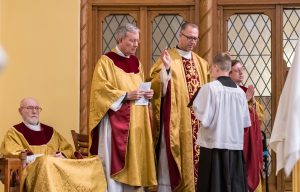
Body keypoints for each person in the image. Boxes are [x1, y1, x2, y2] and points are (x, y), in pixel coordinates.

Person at [89, 23, 157, 192]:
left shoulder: (136, 62)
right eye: (132, 40)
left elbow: (139, 86)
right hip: (116, 121)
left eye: (137, 41)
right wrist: (126, 95)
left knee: (136, 156)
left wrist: (146, 95)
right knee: (116, 158)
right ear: (120, 39)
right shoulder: (106, 61)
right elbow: (100, 90)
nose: (135, 44)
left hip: (137, 119)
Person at [0, 97, 107, 192]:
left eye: (37, 108)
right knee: (46, 161)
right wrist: (43, 158)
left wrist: (62, 155)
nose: (34, 111)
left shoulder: (50, 131)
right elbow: (12, 154)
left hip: (56, 168)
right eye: (30, 108)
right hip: (31, 172)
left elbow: (68, 149)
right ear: (20, 111)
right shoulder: (14, 132)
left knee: (95, 162)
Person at [149, 22, 209, 191]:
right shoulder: (169, 58)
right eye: (189, 37)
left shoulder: (201, 64)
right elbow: (154, 87)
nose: (192, 42)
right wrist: (166, 71)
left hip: (197, 125)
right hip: (176, 124)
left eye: (195, 39)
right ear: (180, 36)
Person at [192, 53, 251, 192]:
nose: (211, 71)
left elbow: (202, 117)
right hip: (235, 146)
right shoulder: (240, 93)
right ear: (229, 68)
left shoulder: (210, 88)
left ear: (216, 67)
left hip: (214, 145)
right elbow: (244, 123)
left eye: (212, 68)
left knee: (213, 185)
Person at [229, 60, 264, 192]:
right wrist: (246, 99)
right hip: (237, 142)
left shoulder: (243, 90)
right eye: (237, 70)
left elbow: (259, 116)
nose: (241, 73)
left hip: (251, 141)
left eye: (242, 69)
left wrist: (252, 101)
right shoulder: (227, 91)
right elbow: (228, 116)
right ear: (229, 73)